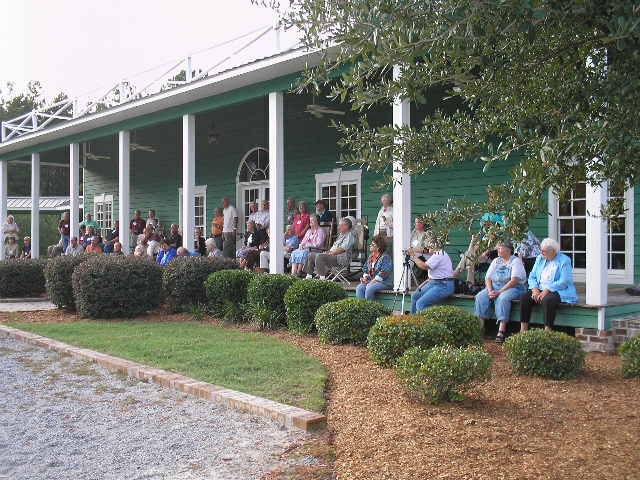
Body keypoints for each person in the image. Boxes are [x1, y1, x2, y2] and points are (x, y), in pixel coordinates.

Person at [519, 237, 578, 331]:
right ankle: (523, 330)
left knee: (548, 300)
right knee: (525, 298)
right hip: (539, 288)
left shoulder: (564, 260)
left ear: (553, 251)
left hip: (558, 290)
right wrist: (534, 289)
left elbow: (564, 281)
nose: (542, 253)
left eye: (544, 251)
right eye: (541, 250)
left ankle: (547, 331)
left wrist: (547, 290)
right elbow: (532, 276)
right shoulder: (540, 258)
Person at [474, 240, 527, 343]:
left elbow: (514, 281)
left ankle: (501, 330)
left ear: (508, 250)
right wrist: (490, 290)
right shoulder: (496, 261)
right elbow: (488, 278)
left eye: (500, 248)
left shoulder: (516, 261)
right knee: (480, 296)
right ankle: (480, 327)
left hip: (514, 287)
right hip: (495, 286)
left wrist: (499, 292)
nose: (497, 250)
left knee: (503, 298)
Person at [454, 190, 505, 285]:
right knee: (470, 256)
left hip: (493, 250)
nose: (492, 199)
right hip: (483, 244)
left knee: (469, 257)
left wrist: (487, 249)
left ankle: (457, 275)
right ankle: (469, 283)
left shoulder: (502, 213)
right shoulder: (487, 213)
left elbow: (503, 228)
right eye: (491, 197)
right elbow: (483, 226)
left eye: (494, 197)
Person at [410, 237, 455, 314]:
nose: (427, 247)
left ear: (435, 246)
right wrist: (412, 249)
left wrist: (413, 256)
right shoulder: (436, 253)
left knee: (421, 304)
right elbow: (425, 251)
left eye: (429, 245)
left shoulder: (439, 254)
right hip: (433, 283)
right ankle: (413, 321)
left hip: (443, 285)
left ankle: (425, 324)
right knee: (415, 296)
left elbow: (424, 266)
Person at [356, 234, 393, 300]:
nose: (370, 245)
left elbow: (384, 273)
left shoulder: (385, 257)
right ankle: (362, 308)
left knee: (369, 289)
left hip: (385, 282)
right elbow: (366, 269)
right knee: (360, 287)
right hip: (372, 281)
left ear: (378, 247)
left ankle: (370, 308)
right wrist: (365, 278)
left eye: (373, 245)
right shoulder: (371, 257)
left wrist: (371, 282)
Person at [407, 216, 431, 284]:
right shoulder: (414, 232)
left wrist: (413, 250)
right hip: (413, 256)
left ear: (423, 223)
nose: (416, 224)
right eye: (415, 222)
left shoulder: (427, 234)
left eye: (418, 222)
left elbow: (428, 250)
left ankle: (415, 282)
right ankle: (408, 282)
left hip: (424, 258)